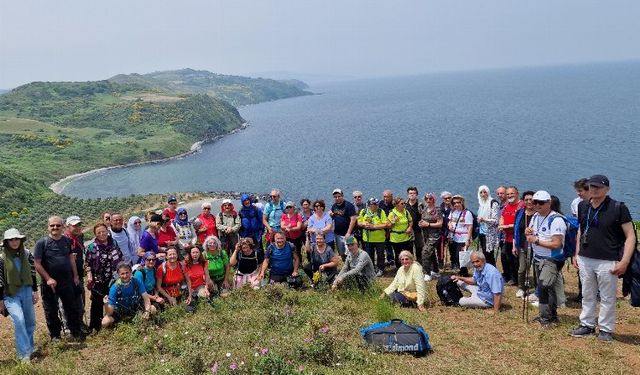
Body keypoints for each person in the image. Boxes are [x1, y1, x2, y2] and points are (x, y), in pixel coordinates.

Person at [571, 175, 636, 342]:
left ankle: (606, 329)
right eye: (592, 186)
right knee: (587, 293)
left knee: (607, 297)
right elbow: (580, 230)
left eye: (599, 187)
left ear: (607, 189)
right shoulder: (583, 206)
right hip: (586, 257)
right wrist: (577, 252)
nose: (594, 189)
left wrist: (624, 261)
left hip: (608, 259)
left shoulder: (618, 208)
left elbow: (630, 236)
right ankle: (587, 325)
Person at [34, 216, 83, 341]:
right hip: (50, 284)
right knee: (51, 309)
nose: (55, 227)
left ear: (62, 227)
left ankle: (75, 331)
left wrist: (76, 275)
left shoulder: (66, 241)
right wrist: (48, 278)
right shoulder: (41, 243)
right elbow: (37, 264)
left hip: (67, 281)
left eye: (58, 225)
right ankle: (55, 335)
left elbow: (71, 258)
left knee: (70, 307)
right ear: (48, 227)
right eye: (52, 225)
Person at [525, 191, 567, 327]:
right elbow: (532, 232)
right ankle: (550, 315)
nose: (537, 205)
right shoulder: (536, 216)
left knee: (544, 287)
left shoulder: (556, 220)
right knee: (546, 288)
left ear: (549, 203)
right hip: (538, 257)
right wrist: (528, 232)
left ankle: (546, 318)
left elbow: (557, 243)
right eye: (535, 202)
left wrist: (536, 241)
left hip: (551, 259)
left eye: (541, 203)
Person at [0, 228, 38, 362]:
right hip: (10, 294)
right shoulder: (2, 258)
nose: (14, 241)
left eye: (17, 239)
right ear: (6, 242)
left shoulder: (27, 254)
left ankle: (30, 348)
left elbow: (33, 273)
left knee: (30, 321)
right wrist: (0, 301)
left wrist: (35, 291)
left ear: (20, 240)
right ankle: (23, 354)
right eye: (11, 239)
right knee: (19, 320)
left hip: (27, 290)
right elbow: (0, 280)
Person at [84, 223, 123, 332]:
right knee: (97, 303)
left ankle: (113, 321)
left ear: (107, 231)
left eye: (103, 231)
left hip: (113, 278)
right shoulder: (92, 247)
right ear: (95, 235)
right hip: (98, 280)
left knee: (113, 299)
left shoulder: (114, 243)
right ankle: (95, 327)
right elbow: (87, 264)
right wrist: (89, 275)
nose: (102, 234)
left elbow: (119, 257)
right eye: (98, 233)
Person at [102, 262, 155, 328]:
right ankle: (114, 330)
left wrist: (147, 311)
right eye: (122, 274)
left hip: (135, 308)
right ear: (118, 274)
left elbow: (146, 298)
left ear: (131, 272)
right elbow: (109, 313)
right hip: (120, 312)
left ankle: (148, 324)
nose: (125, 276)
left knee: (152, 309)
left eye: (127, 273)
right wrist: (106, 304)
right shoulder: (114, 287)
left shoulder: (137, 281)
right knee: (105, 321)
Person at [63, 215, 87, 333]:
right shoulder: (63, 240)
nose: (77, 227)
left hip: (79, 273)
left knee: (80, 299)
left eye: (78, 225)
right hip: (68, 276)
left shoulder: (80, 237)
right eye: (74, 225)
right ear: (67, 226)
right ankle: (69, 327)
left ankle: (79, 322)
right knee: (68, 302)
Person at [513, 191, 537, 299]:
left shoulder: (538, 213)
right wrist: (514, 245)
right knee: (522, 268)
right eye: (526, 200)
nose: (529, 202)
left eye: (531, 199)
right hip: (523, 245)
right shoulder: (520, 213)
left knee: (536, 270)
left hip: (537, 246)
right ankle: (521, 288)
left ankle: (538, 290)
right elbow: (516, 230)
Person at [358, 198, 389, 277]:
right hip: (367, 238)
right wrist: (364, 224)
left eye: (376, 204)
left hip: (379, 238)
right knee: (369, 255)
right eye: (372, 204)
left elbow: (385, 224)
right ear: (369, 205)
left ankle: (381, 269)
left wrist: (373, 226)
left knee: (380, 255)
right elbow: (359, 222)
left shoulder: (380, 212)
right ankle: (370, 269)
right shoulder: (363, 211)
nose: (375, 206)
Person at [499, 186, 523, 286]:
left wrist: (507, 226)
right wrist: (501, 224)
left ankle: (517, 279)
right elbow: (502, 216)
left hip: (517, 238)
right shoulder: (506, 205)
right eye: (508, 194)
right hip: (507, 237)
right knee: (507, 257)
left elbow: (521, 223)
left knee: (516, 259)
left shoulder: (521, 206)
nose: (510, 196)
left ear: (517, 193)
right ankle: (510, 277)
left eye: (512, 193)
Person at [418, 192, 442, 281]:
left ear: (434, 199)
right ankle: (435, 271)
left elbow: (440, 223)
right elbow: (422, 220)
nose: (428, 200)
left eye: (430, 198)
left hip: (434, 236)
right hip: (425, 235)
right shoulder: (424, 209)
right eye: (426, 199)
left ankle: (427, 273)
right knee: (431, 253)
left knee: (425, 252)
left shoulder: (437, 210)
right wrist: (421, 224)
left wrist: (428, 224)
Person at [447, 195, 473, 275]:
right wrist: (449, 225)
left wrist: (468, 239)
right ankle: (459, 271)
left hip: (463, 238)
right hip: (453, 237)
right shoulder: (452, 212)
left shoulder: (467, 213)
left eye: (458, 202)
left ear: (462, 202)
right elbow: (450, 221)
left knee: (461, 256)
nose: (456, 204)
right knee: (454, 255)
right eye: (454, 203)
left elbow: (470, 227)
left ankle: (464, 272)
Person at [330, 188, 358, 259]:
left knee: (351, 253)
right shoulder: (334, 206)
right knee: (342, 253)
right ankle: (345, 267)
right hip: (338, 235)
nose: (337, 198)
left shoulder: (349, 205)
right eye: (335, 197)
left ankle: (353, 268)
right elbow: (333, 215)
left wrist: (348, 233)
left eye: (339, 196)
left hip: (348, 234)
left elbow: (353, 219)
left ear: (342, 196)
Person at [477, 185, 500, 266]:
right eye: (481, 192)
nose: (483, 194)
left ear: (488, 192)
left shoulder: (493, 203)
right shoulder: (481, 203)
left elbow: (495, 220)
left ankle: (492, 273)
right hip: (482, 232)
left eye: (485, 192)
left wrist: (484, 220)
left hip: (489, 233)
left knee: (489, 255)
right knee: (484, 254)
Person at [388, 197, 413, 268]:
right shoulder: (392, 213)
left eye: (404, 203)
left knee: (407, 254)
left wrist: (409, 227)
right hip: (396, 238)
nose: (404, 204)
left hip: (406, 237)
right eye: (402, 203)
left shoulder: (406, 212)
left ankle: (409, 268)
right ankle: (399, 269)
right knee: (398, 254)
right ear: (396, 205)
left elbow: (410, 221)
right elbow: (389, 226)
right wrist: (393, 221)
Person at [405, 187, 423, 266]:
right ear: (408, 194)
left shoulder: (420, 205)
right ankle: (410, 264)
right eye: (410, 193)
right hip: (408, 230)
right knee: (409, 248)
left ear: (417, 194)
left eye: (414, 193)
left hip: (418, 230)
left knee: (419, 247)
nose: (412, 195)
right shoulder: (404, 205)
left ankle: (419, 264)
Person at [379, 190, 395, 266]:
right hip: (384, 227)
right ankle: (390, 259)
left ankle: (397, 259)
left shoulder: (394, 204)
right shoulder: (381, 203)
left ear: (391, 196)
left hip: (394, 227)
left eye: (387, 197)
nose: (385, 198)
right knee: (387, 244)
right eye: (384, 196)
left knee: (394, 244)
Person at [439, 191, 453, 269]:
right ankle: (441, 262)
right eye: (445, 198)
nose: (447, 199)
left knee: (452, 247)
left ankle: (453, 262)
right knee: (441, 248)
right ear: (443, 199)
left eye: (449, 198)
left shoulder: (455, 207)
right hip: (442, 231)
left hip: (452, 231)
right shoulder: (440, 208)